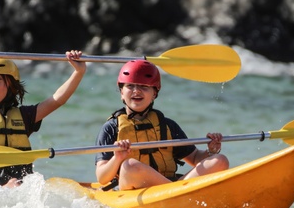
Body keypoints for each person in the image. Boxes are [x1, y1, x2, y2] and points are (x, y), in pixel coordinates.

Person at [0, 46, 86, 189]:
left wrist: (78, 72)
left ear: (10, 85)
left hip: (19, 186)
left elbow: (57, 100)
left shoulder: (25, 117)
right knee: (15, 184)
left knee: (22, 184)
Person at [95, 59, 229, 190]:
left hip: (170, 188)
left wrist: (211, 150)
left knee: (220, 160)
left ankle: (176, 192)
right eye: (130, 86)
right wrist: (117, 158)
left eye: (144, 86)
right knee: (129, 166)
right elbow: (102, 177)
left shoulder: (167, 125)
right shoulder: (111, 128)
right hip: (132, 189)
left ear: (154, 93)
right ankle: (178, 191)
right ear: (122, 93)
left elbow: (194, 158)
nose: (136, 91)